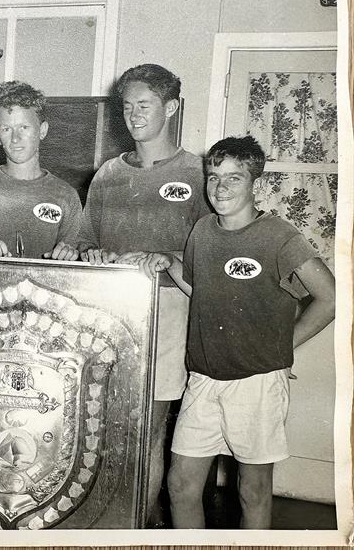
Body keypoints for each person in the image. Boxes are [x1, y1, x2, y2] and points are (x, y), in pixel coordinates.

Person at [131, 136, 335, 528]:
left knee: (252, 490)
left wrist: (281, 346)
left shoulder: (278, 236)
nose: (220, 188)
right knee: (181, 485)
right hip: (203, 381)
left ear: (254, 183)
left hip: (257, 383)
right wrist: (170, 261)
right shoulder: (203, 230)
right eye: (213, 177)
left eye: (233, 178)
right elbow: (200, 288)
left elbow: (331, 298)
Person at [78, 63, 210, 526]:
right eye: (127, 106)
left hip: (169, 314)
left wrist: (165, 256)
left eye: (145, 105)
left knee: (147, 430)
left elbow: (210, 256)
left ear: (170, 107)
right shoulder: (107, 175)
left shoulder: (198, 172)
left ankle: (140, 523)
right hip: (105, 315)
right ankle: (101, 522)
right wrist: (89, 255)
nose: (133, 115)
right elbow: (84, 242)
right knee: (100, 425)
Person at [0, 81, 81, 261]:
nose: (15, 138)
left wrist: (70, 254)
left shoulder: (66, 195)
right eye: (6, 129)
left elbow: (74, 253)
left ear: (42, 130)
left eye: (24, 127)